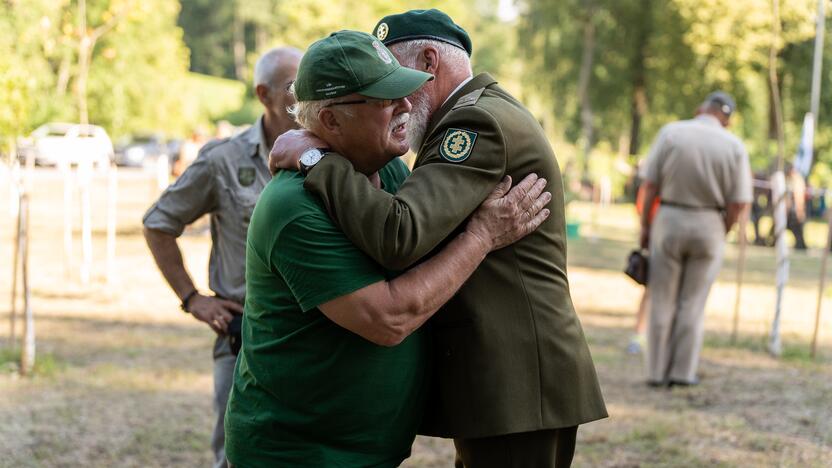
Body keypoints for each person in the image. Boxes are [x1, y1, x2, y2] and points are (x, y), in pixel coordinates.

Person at [271, 10, 607, 467]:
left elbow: (399, 233)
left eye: (398, 80)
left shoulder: (473, 124)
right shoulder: (475, 113)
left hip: (516, 386)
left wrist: (315, 159)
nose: (401, 102)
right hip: (509, 386)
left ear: (430, 61)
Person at [141, 46, 302, 468]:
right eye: (292, 85)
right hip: (243, 338)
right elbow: (158, 223)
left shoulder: (333, 155)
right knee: (237, 456)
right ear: (263, 94)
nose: (304, 93)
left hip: (313, 341)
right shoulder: (223, 160)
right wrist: (193, 298)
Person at [639, 91, 752, 387]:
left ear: (702, 108)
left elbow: (650, 185)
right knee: (693, 302)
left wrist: (645, 226)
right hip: (710, 222)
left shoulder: (671, 133)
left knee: (662, 298)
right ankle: (682, 372)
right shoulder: (734, 145)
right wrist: (722, 229)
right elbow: (739, 202)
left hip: (670, 217)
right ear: (727, 120)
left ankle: (655, 372)